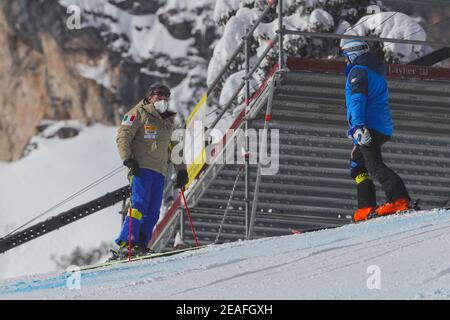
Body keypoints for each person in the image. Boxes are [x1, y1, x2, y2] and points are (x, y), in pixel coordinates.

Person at [113, 84, 189, 259]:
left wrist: (181, 171)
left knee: (153, 210)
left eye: (165, 97)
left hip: (159, 171)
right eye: (158, 96)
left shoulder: (168, 121)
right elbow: (123, 135)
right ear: (150, 97)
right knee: (138, 206)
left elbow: (176, 147)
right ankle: (127, 243)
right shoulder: (138, 113)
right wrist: (127, 158)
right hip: (141, 168)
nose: (162, 100)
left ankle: (140, 243)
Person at [340, 39, 410, 222]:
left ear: (352, 54)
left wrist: (358, 127)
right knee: (357, 164)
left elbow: (357, 100)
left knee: (374, 165)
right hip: (378, 126)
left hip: (368, 125)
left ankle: (398, 199)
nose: (345, 62)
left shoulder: (359, 72)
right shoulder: (374, 72)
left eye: (346, 57)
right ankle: (366, 207)